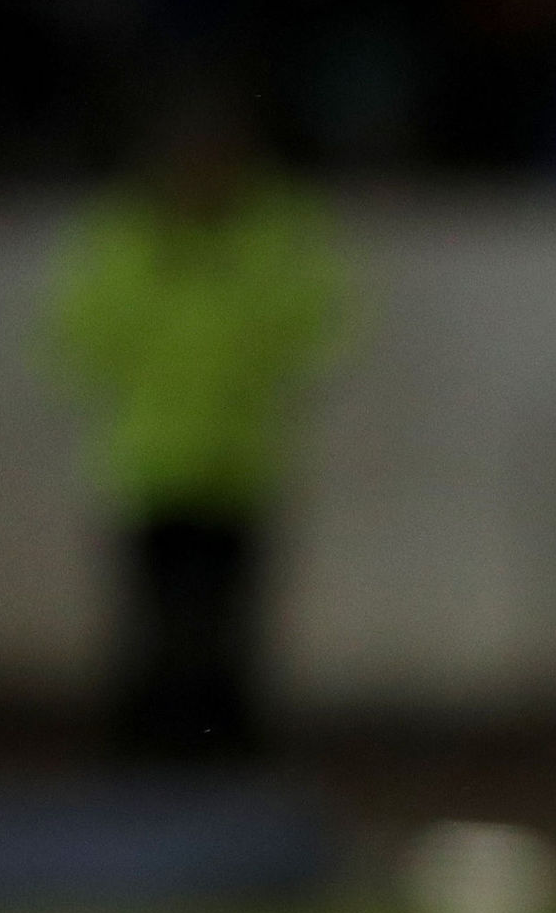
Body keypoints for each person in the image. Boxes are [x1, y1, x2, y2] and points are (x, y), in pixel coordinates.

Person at [46, 90, 344, 761]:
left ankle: (224, 756)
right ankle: (145, 755)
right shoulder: (126, 235)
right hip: (150, 462)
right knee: (155, 622)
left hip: (240, 463)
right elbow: (76, 332)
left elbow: (318, 321)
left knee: (227, 623)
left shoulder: (275, 231)